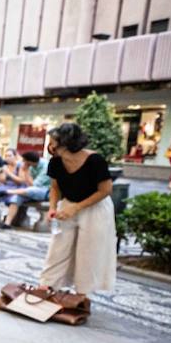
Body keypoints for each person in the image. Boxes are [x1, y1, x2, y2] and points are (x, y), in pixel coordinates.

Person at [40, 122, 116, 298]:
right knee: (59, 246)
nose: (49, 145)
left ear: (64, 144)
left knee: (88, 250)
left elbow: (105, 190)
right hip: (68, 204)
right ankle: (48, 285)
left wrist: (77, 207)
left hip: (94, 207)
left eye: (52, 142)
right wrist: (53, 207)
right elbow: (55, 188)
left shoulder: (95, 161)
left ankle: (82, 293)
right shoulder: (56, 161)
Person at [0, 151, 50, 229]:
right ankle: (7, 223)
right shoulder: (31, 166)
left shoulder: (45, 167)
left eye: (24, 161)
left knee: (31, 190)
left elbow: (34, 185)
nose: (23, 162)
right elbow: (28, 183)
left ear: (29, 162)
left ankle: (7, 192)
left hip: (46, 191)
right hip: (31, 190)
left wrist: (26, 171)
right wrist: (26, 171)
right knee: (17, 197)